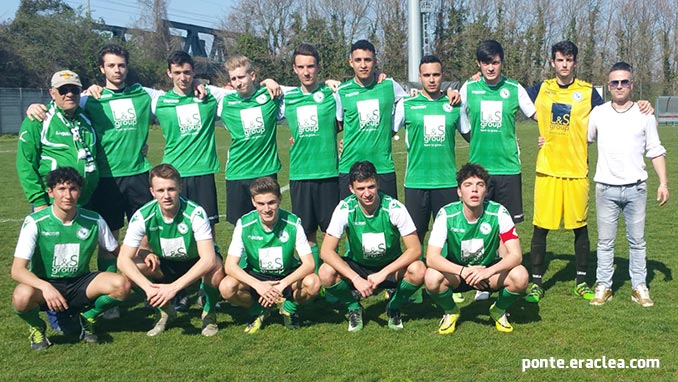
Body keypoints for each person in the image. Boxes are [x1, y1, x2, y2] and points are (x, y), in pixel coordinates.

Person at [11, 167, 130, 350]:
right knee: (21, 297)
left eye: (73, 189)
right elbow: (17, 270)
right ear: (50, 192)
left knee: (121, 285)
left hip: (80, 282)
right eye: (61, 189)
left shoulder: (93, 219)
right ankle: (37, 326)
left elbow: (118, 252)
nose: (68, 195)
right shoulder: (35, 222)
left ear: (79, 192)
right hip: (47, 284)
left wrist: (143, 259)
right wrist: (46, 287)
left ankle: (88, 317)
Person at [587, 62, 669, 307]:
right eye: (615, 82)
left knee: (637, 241)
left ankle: (639, 287)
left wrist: (663, 183)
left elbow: (655, 150)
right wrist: (546, 139)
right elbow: (582, 141)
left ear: (632, 85)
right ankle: (604, 286)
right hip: (606, 188)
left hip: (636, 188)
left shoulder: (644, 114)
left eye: (624, 82)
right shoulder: (598, 113)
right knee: (605, 242)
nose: (619, 86)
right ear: (608, 86)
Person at [117, 164, 225, 337]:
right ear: (152, 191)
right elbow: (123, 260)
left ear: (180, 188)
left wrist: (173, 288)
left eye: (171, 189)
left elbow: (208, 259)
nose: (166, 196)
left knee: (216, 267)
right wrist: (149, 288)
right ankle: (166, 311)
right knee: (131, 269)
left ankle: (209, 313)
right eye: (160, 190)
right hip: (164, 263)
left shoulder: (195, 213)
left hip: (194, 262)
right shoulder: (142, 215)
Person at [319, 161, 424, 332]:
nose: (367, 193)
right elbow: (326, 251)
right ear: (352, 189)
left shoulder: (394, 207)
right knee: (325, 272)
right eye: (360, 189)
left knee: (418, 269)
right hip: (358, 266)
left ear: (378, 184)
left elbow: (415, 249)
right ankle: (354, 307)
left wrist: (384, 273)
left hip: (389, 266)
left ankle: (394, 306)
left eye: (371, 187)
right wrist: (355, 279)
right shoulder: (345, 208)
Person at [424, 163, 528, 334]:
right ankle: (451, 311)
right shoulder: (446, 214)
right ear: (459, 191)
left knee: (521, 276)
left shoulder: (499, 212)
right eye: (468, 185)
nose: (474, 190)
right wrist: (463, 271)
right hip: (458, 273)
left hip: (488, 273)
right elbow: (432, 258)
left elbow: (516, 255)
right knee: (431, 277)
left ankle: (498, 310)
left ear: (486, 191)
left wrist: (488, 271)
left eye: (480, 185)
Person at [219, 177, 320, 333]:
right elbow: (230, 266)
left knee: (313, 283)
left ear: (280, 199)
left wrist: (282, 284)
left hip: (286, 277)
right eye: (261, 204)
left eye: (271, 202)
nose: (266, 209)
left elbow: (309, 264)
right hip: (257, 277)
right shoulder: (244, 224)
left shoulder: (293, 223)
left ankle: (288, 309)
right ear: (253, 202)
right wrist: (258, 285)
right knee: (226, 287)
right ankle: (258, 311)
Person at [459, 40, 536, 224]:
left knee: (507, 226)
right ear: (478, 64)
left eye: (495, 62)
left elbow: (536, 115)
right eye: (486, 63)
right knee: (479, 223)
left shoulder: (514, 88)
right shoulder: (469, 88)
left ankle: (507, 255)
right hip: (479, 171)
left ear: (502, 62)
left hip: (508, 168)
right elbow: (455, 115)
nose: (491, 68)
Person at [280, 43, 341, 272]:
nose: (306, 72)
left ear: (318, 68)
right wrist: (268, 82)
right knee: (306, 233)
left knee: (331, 232)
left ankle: (331, 281)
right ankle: (313, 280)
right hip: (300, 174)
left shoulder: (332, 94)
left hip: (329, 174)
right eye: (301, 67)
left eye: (311, 66)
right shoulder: (287, 98)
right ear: (294, 69)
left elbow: (348, 119)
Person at [153, 51, 221, 227]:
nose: (182, 77)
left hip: (203, 172)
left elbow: (242, 90)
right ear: (169, 73)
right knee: (175, 226)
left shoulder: (209, 97)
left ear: (194, 72)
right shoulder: (158, 100)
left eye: (187, 72)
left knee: (207, 228)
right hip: (174, 174)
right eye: (177, 73)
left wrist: (268, 81)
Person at [17, 70, 99, 210]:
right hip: (51, 204)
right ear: (52, 93)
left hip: (85, 202)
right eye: (63, 90)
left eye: (74, 90)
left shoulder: (87, 119)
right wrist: (39, 201)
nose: (69, 94)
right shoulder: (38, 119)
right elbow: (25, 163)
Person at [335, 40, 407, 199]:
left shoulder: (389, 85)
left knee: (387, 221)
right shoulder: (342, 91)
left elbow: (408, 102)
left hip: (382, 167)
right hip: (349, 167)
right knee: (350, 221)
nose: (363, 65)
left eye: (367, 60)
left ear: (375, 61)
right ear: (350, 62)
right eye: (358, 60)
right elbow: (338, 122)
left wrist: (393, 128)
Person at [218, 55, 283, 225]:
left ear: (252, 76)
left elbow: (304, 89)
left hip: (265, 171)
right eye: (233, 79)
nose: (238, 83)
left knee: (269, 223)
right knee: (241, 227)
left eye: (241, 77)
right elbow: (199, 89)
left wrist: (269, 81)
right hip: (237, 173)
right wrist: (196, 83)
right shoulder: (225, 100)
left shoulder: (270, 95)